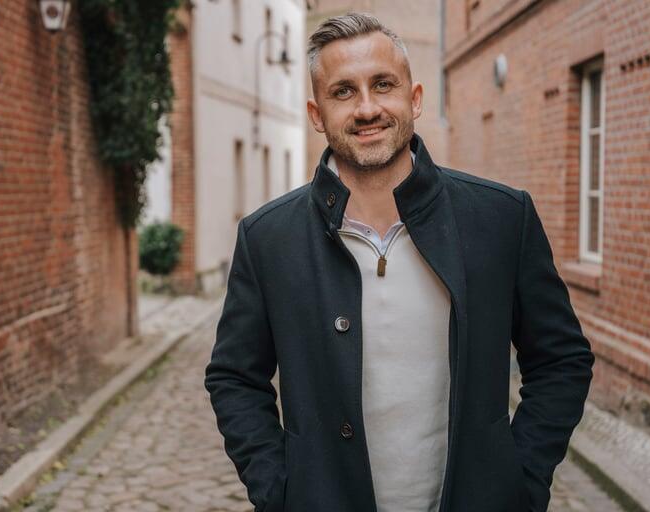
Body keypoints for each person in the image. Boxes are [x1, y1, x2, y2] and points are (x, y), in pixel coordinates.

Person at [204, 12, 594, 512]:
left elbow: (561, 360)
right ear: (317, 114)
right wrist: (280, 491)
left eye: (383, 85)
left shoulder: (501, 218)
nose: (367, 108)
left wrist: (519, 483)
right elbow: (234, 378)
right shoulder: (268, 239)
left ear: (415, 98)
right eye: (343, 91)